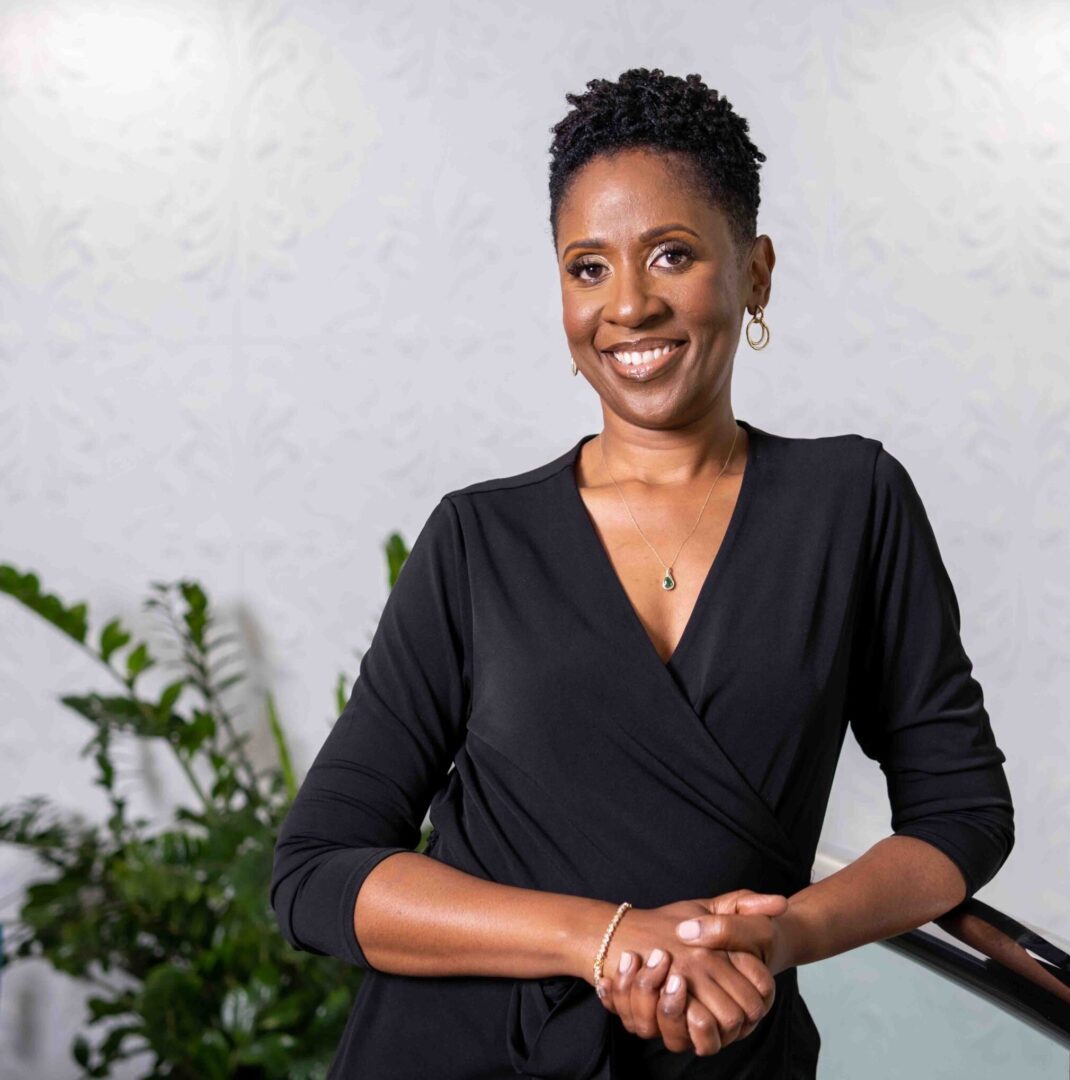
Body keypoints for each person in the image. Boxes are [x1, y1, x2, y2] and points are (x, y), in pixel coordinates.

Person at [269, 67, 1016, 1079]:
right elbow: (318, 872)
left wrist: (779, 938)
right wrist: (606, 936)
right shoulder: (480, 539)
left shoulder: (851, 503)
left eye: (671, 254)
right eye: (587, 268)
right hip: (456, 1056)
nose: (627, 305)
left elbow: (961, 815)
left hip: (722, 1051)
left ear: (754, 272)